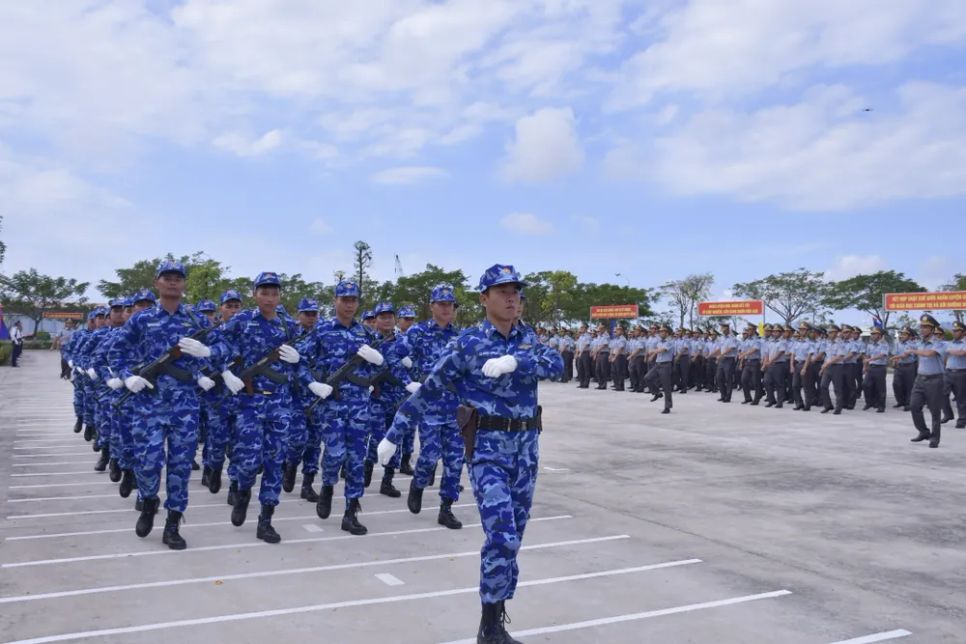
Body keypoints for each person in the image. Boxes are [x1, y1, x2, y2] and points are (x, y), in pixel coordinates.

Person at [377, 264, 562, 644]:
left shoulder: (529, 339)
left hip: (526, 451)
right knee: (502, 537)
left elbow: (557, 365)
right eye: (502, 291)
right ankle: (489, 628)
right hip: (488, 452)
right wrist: (395, 435)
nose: (512, 298)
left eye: (516, 291)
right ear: (484, 299)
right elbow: (429, 388)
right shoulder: (467, 344)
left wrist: (518, 361)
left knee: (515, 539)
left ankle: (496, 615)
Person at [208, 273, 327, 543]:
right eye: (264, 291)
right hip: (249, 402)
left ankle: (266, 519)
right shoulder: (242, 320)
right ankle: (242, 491)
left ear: (280, 296)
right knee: (248, 460)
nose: (270, 297)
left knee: (274, 462)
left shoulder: (289, 325)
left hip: (281, 403)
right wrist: (225, 372)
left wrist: (305, 371)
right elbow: (217, 345)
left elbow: (303, 360)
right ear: (255, 294)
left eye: (274, 292)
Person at [107, 261, 213, 550]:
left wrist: (208, 352)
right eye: (167, 278)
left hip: (185, 407)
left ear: (184, 284)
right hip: (148, 406)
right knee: (148, 462)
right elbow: (117, 352)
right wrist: (127, 377)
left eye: (178, 278)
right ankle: (149, 501)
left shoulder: (196, 320)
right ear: (157, 283)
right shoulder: (141, 319)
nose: (172, 283)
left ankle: (173, 523)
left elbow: (221, 350)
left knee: (180, 467)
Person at [295, 279, 384, 536]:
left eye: (353, 299)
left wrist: (378, 361)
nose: (349, 304)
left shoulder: (366, 333)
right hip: (331, 405)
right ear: (335, 301)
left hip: (359, 406)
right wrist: (312, 384)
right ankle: (327, 486)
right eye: (344, 299)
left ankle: (350, 511)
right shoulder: (321, 331)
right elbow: (299, 361)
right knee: (334, 454)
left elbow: (384, 366)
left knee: (356, 458)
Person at [390, 284, 465, 528]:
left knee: (455, 460)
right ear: (432, 306)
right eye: (441, 304)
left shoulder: (460, 336)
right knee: (430, 455)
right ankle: (418, 484)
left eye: (450, 305)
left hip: (455, 408)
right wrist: (407, 382)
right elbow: (393, 356)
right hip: (429, 406)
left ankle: (446, 508)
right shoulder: (418, 332)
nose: (446, 309)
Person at [361, 301, 418, 501]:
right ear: (375, 320)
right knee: (376, 437)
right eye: (382, 316)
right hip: (377, 397)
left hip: (398, 398)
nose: (386, 320)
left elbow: (413, 363)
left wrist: (410, 364)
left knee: (396, 439)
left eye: (389, 316)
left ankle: (387, 480)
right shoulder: (369, 340)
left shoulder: (402, 340)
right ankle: (367, 466)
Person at [907, 314, 946, 448]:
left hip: (935, 379)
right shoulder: (919, 343)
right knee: (914, 406)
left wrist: (913, 351)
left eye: (925, 327)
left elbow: (929, 354)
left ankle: (935, 438)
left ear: (932, 329)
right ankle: (924, 431)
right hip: (920, 379)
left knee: (935, 411)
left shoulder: (938, 343)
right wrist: (900, 356)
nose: (922, 329)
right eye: (921, 326)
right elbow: (914, 353)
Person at [643, 325, 675, 413]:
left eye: (663, 331)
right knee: (647, 378)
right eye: (660, 332)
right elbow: (658, 350)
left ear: (667, 333)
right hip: (657, 364)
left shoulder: (670, 342)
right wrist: (652, 355)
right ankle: (657, 393)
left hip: (666, 365)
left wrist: (653, 351)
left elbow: (662, 350)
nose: (661, 333)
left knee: (666, 387)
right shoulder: (659, 341)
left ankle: (667, 407)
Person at [862, 327, 890, 413]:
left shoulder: (884, 344)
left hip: (880, 368)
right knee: (865, 384)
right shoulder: (870, 345)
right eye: (872, 334)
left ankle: (881, 406)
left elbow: (882, 355)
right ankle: (869, 403)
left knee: (880, 388)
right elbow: (867, 356)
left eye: (875, 334)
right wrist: (865, 366)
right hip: (871, 368)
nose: (872, 335)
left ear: (879, 335)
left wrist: (870, 360)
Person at [891, 326, 918, 411]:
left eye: (905, 334)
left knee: (909, 385)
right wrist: (894, 362)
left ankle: (908, 403)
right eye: (902, 334)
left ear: (910, 336)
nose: (902, 335)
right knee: (896, 384)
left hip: (909, 366)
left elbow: (905, 355)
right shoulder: (897, 344)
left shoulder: (912, 344)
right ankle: (900, 401)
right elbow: (894, 353)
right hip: (899, 367)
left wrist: (895, 358)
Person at [946, 321, 966, 429]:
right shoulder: (951, 343)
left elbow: (962, 353)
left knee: (960, 398)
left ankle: (962, 420)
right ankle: (948, 414)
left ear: (963, 332)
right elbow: (946, 355)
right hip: (948, 372)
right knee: (942, 394)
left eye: (957, 331)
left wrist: (950, 351)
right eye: (953, 331)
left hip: (961, 373)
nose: (954, 333)